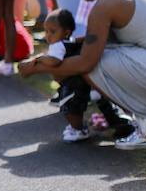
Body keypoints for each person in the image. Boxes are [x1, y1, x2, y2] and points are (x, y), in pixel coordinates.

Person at [29, 0, 146, 149]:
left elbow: (86, 61)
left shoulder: (107, 3)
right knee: (95, 55)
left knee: (92, 65)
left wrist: (38, 66)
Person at [18, 9, 94, 143]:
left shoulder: (58, 45)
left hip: (71, 84)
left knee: (70, 109)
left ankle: (79, 129)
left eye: (52, 31)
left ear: (66, 32)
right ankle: (78, 127)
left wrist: (40, 58)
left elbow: (55, 61)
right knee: (74, 107)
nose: (48, 36)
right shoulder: (69, 42)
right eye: (46, 31)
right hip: (76, 82)